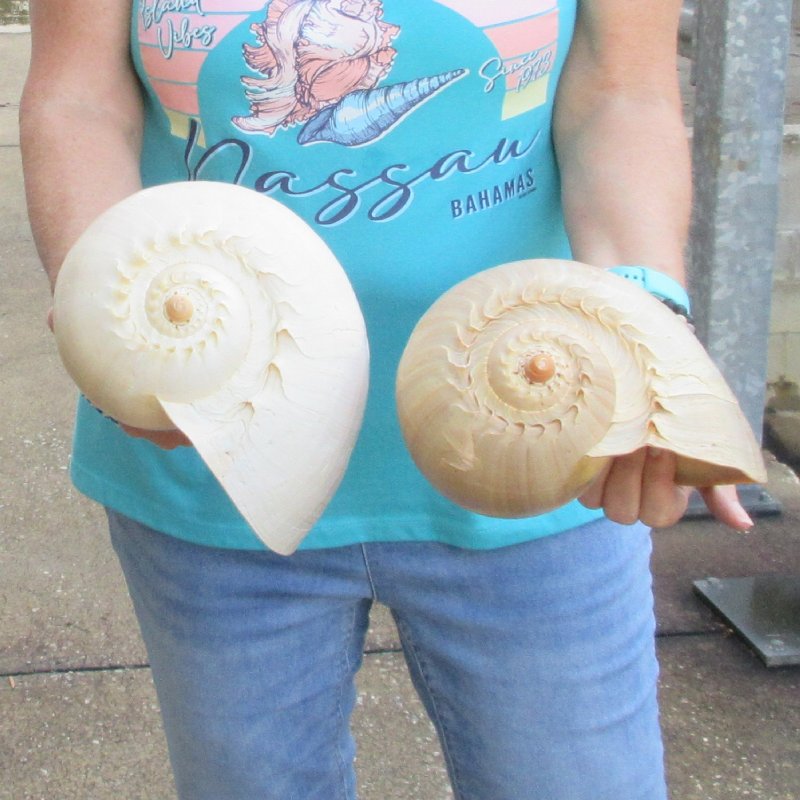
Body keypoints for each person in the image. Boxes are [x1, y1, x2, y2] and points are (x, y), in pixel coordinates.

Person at [20, 1, 754, 798]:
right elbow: (79, 98)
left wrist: (646, 320)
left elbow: (622, 95)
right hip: (214, 459)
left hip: (548, 446)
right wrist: (108, 325)